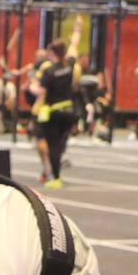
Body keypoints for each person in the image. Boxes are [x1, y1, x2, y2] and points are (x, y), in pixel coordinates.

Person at [29, 21, 82, 190]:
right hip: (68, 109)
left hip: (53, 111)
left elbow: (41, 91)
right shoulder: (69, 65)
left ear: (52, 53)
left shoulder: (48, 71)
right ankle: (56, 169)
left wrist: (32, 86)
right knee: (59, 145)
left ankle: (55, 177)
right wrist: (77, 29)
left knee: (51, 145)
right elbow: (74, 46)